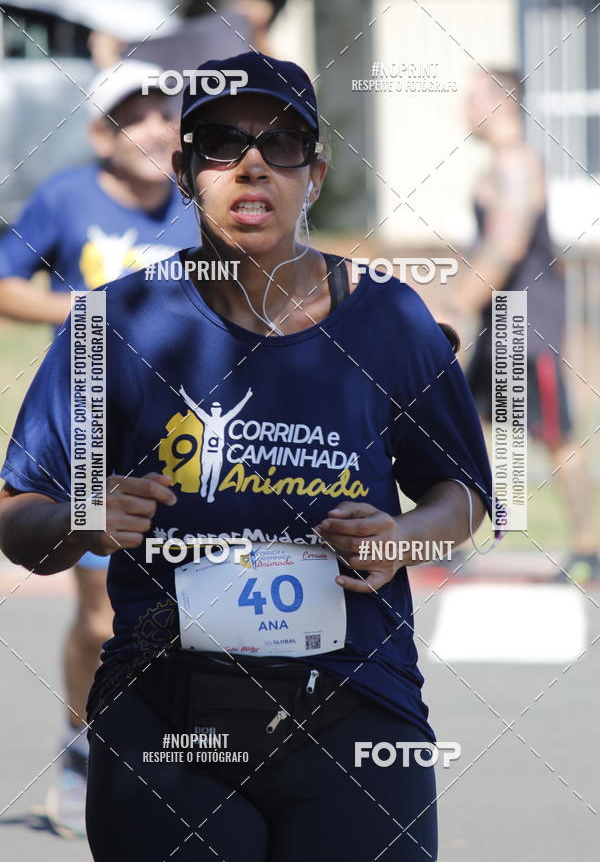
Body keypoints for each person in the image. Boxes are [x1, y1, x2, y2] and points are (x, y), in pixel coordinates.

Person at [0, 52, 495, 861]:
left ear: (316, 172)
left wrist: (406, 536)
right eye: (224, 143)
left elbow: (464, 492)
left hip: (357, 707)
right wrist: (82, 521)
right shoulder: (111, 325)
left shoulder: (390, 319)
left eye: (283, 143)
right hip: (166, 716)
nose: (254, 163)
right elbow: (19, 515)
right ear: (188, 169)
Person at [0, 59, 198, 837]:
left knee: (187, 611)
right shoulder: (66, 198)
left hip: (188, 436)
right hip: (89, 433)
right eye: (133, 117)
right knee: (100, 616)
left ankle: (177, 758)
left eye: (163, 115)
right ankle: (84, 750)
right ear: (99, 133)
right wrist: (83, 306)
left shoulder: (197, 205)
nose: (153, 129)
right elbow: (5, 281)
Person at [446, 67, 598, 584]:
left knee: (555, 436)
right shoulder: (499, 166)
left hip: (526, 323)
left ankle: (588, 547)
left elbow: (506, 247)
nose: (465, 109)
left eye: (473, 98)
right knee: (472, 426)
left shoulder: (515, 164)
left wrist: (454, 307)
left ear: (500, 102)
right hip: (503, 320)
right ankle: (456, 540)